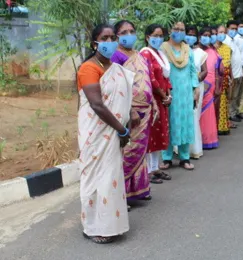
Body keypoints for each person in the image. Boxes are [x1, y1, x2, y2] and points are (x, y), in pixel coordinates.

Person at [77, 24, 132, 244]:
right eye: (104, 38)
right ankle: (92, 226)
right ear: (95, 44)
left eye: (112, 37)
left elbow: (122, 97)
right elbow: (97, 105)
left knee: (110, 177)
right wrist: (122, 129)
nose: (110, 41)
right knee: (94, 177)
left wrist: (127, 121)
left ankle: (110, 224)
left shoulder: (116, 68)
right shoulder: (88, 68)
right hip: (96, 131)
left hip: (114, 129)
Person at [111, 20, 155, 201]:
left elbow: (148, 81)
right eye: (124, 32)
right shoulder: (116, 57)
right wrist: (130, 110)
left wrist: (154, 104)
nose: (129, 35)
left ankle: (139, 189)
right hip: (130, 110)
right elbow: (117, 87)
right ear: (117, 36)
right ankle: (122, 194)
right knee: (128, 151)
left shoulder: (139, 55)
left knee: (141, 150)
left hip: (146, 108)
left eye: (131, 31)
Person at [160, 21, 200, 171]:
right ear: (170, 30)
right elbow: (160, 70)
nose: (179, 31)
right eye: (176, 28)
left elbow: (192, 70)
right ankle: (167, 158)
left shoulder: (187, 49)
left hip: (186, 92)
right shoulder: (163, 48)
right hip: (170, 91)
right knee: (169, 122)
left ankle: (184, 157)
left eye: (182, 29)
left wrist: (195, 88)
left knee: (185, 122)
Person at [139, 24, 173, 184]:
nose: (158, 38)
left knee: (159, 134)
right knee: (151, 134)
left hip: (162, 100)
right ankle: (148, 170)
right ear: (147, 37)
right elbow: (150, 78)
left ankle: (155, 167)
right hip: (151, 100)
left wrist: (169, 94)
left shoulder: (160, 53)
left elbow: (166, 77)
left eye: (161, 35)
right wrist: (162, 94)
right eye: (155, 35)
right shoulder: (146, 53)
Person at [185, 25, 208, 159]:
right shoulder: (179, 51)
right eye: (188, 33)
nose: (191, 36)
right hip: (181, 87)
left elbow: (205, 71)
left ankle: (194, 149)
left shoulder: (201, 53)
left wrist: (195, 79)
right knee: (183, 116)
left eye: (193, 34)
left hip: (197, 87)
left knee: (194, 116)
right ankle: (181, 149)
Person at [199, 27, 220, 149]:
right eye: (204, 35)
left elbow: (217, 71)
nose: (207, 37)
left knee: (208, 113)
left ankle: (209, 139)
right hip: (198, 86)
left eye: (209, 35)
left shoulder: (213, 52)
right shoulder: (194, 51)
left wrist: (217, 86)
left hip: (210, 88)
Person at [224, 20, 243, 123]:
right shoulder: (226, 41)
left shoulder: (234, 40)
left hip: (239, 71)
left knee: (238, 93)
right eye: (231, 28)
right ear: (227, 28)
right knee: (232, 94)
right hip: (233, 72)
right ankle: (231, 113)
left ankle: (236, 111)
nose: (233, 31)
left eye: (235, 29)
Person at [215, 25, 234, 135]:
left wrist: (231, 77)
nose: (221, 34)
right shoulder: (212, 48)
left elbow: (229, 64)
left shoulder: (227, 48)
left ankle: (223, 125)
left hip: (225, 79)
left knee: (224, 101)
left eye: (223, 32)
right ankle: (216, 127)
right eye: (219, 32)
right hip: (216, 80)